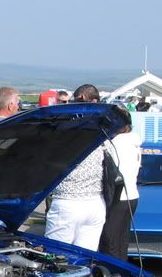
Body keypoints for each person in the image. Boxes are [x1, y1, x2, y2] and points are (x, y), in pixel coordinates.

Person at [44, 84, 107, 251]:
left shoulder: (66, 130)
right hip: (95, 202)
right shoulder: (103, 131)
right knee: (85, 257)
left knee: (55, 256)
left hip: (67, 202)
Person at [98, 106, 141, 260]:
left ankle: (112, 269)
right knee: (121, 239)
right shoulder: (133, 141)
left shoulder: (115, 143)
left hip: (117, 195)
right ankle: (121, 266)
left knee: (109, 240)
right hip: (131, 195)